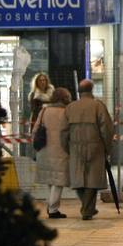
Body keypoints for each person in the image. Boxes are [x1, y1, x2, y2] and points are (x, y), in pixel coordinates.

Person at [63, 78, 114, 220]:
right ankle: (87, 208)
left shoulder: (70, 107)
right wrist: (107, 147)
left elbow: (63, 131)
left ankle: (87, 208)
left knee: (78, 179)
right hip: (95, 146)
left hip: (75, 146)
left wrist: (66, 148)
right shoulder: (98, 106)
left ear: (79, 91)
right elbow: (107, 129)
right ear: (92, 90)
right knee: (92, 179)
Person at [34, 87, 71, 219]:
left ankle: (52, 207)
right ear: (64, 99)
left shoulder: (44, 111)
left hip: (44, 150)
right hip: (61, 150)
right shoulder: (67, 112)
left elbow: (35, 130)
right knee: (58, 181)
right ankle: (53, 208)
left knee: (51, 180)